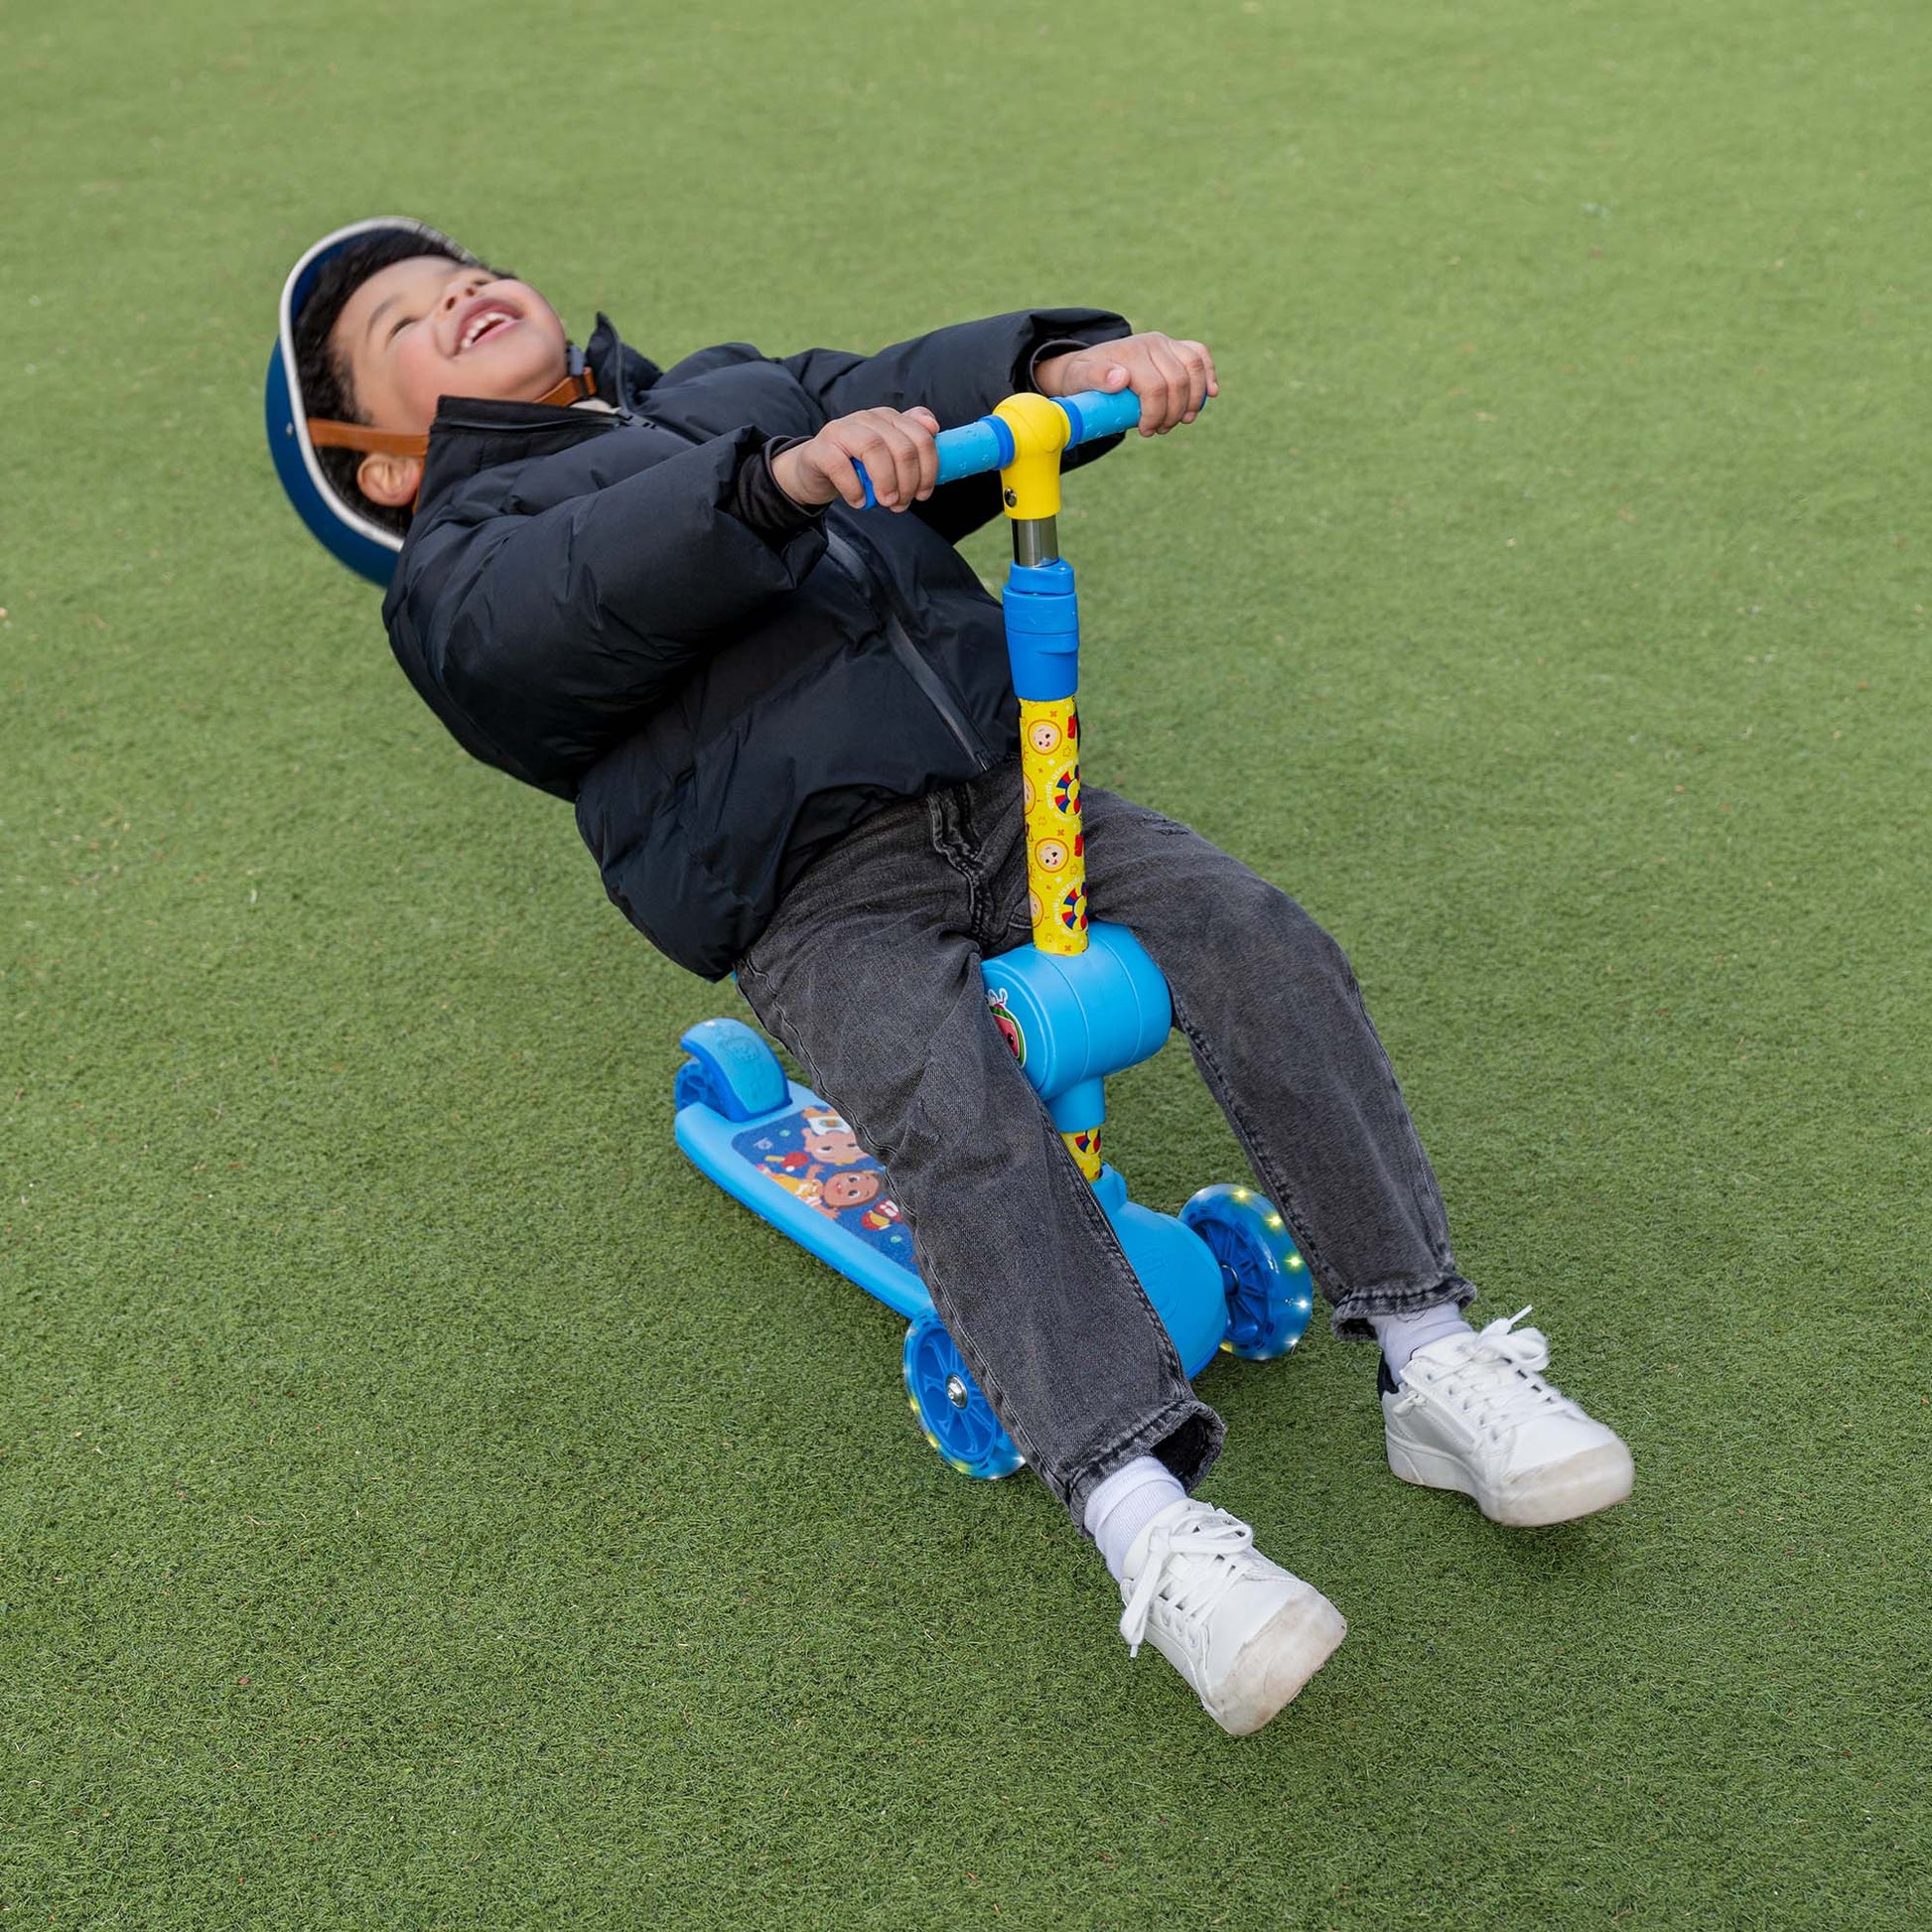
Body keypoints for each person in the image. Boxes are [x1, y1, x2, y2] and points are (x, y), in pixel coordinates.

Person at [273, 218, 1635, 1737]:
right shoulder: (458, 573)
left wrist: (1060, 363)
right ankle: (1137, 1505)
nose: (455, 292)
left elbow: (897, 390)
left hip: (1009, 789)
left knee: (1257, 937)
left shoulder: (731, 390)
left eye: (461, 269)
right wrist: (770, 485)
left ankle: (1427, 1350)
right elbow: (575, 601)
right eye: (401, 317)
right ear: (381, 465)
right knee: (948, 1095)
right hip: (809, 886)